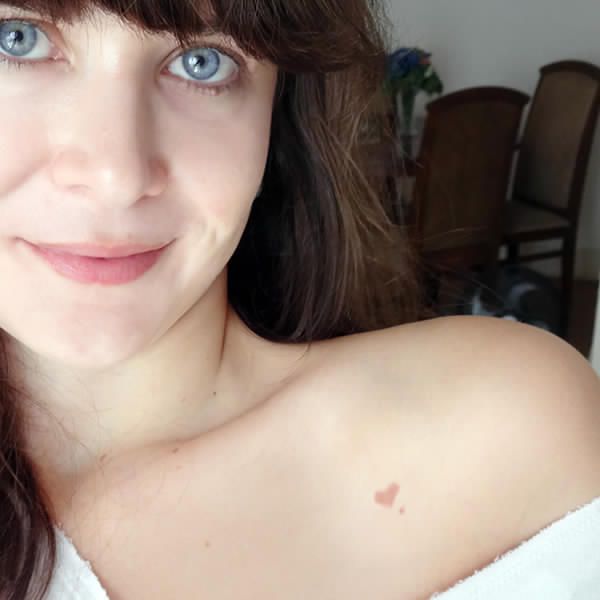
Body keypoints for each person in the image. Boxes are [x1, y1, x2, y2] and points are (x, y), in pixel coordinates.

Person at [0, 0, 598, 599]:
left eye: (202, 62)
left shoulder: (513, 438)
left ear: (276, 119)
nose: (117, 174)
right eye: (16, 39)